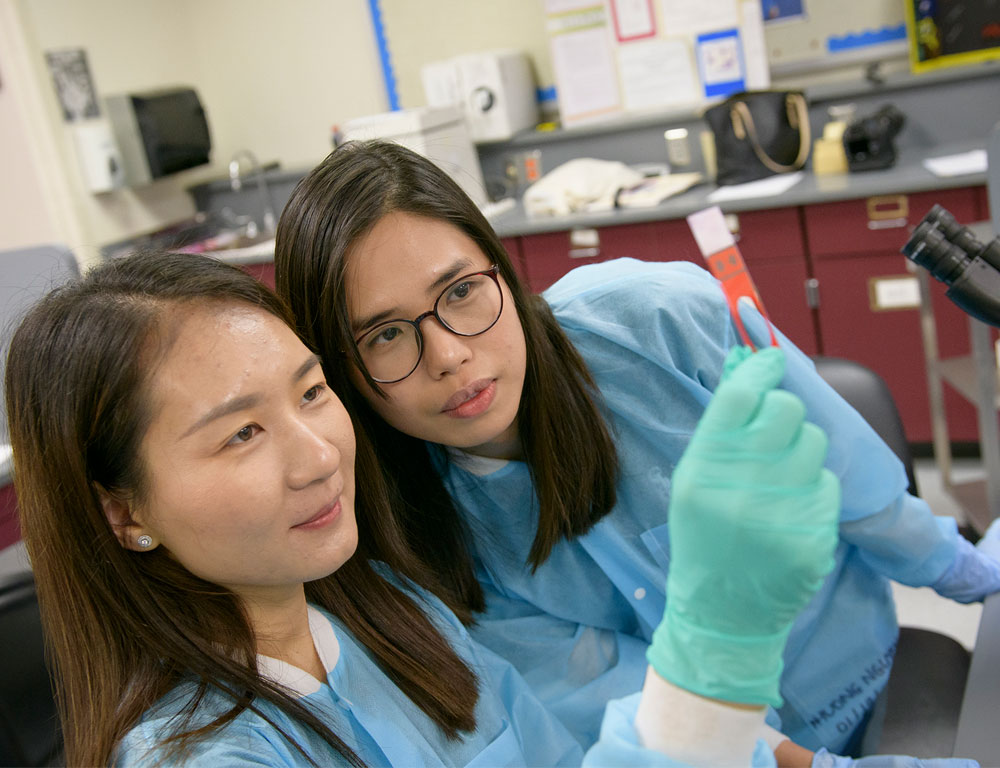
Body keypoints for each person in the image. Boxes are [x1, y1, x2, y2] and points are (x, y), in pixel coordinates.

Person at [273, 140, 1000, 766]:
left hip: (862, 669)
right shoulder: (422, 542)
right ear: (344, 374)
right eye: (386, 336)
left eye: (461, 291)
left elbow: (843, 462)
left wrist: (962, 569)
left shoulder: (653, 318)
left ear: (501, 267)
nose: (450, 356)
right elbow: (610, 693)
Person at [5, 250, 846, 767]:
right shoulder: (208, 757)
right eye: (242, 434)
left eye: (312, 392)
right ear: (123, 513)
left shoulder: (397, 620)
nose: (320, 454)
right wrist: (714, 644)